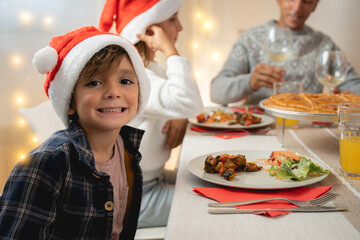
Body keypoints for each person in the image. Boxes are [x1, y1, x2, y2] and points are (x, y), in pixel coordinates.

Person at [0, 26, 151, 239]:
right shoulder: (46, 164)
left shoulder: (127, 150)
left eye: (125, 81)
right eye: (94, 82)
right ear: (70, 101)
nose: (113, 93)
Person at [99, 0, 203, 228]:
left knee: (214, 185)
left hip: (151, 180)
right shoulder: (136, 78)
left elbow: (181, 103)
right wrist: (170, 50)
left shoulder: (151, 72)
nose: (180, 27)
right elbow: (189, 102)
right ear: (149, 31)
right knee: (209, 207)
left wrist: (179, 115)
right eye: (173, 19)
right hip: (134, 198)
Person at [211, 0, 360, 105]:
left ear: (315, 5)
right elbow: (216, 92)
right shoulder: (251, 38)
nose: (297, 8)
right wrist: (250, 82)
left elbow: (354, 86)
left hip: (306, 129)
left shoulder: (324, 44)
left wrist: (349, 96)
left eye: (306, 1)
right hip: (262, 129)